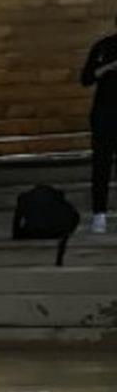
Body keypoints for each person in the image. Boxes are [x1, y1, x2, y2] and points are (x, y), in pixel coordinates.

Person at [81, 14, 117, 234]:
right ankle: (99, 214)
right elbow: (86, 78)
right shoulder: (103, 47)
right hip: (104, 113)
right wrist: (108, 67)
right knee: (101, 165)